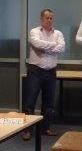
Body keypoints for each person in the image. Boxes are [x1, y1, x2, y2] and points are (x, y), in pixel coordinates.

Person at [22, 8, 65, 140]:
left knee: (49, 103)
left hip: (51, 71)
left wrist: (45, 48)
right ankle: (27, 130)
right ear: (42, 19)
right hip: (35, 70)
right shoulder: (34, 31)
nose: (50, 20)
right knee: (30, 101)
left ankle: (45, 128)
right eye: (47, 18)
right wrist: (53, 46)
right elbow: (37, 44)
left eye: (51, 18)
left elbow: (62, 48)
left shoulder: (58, 33)